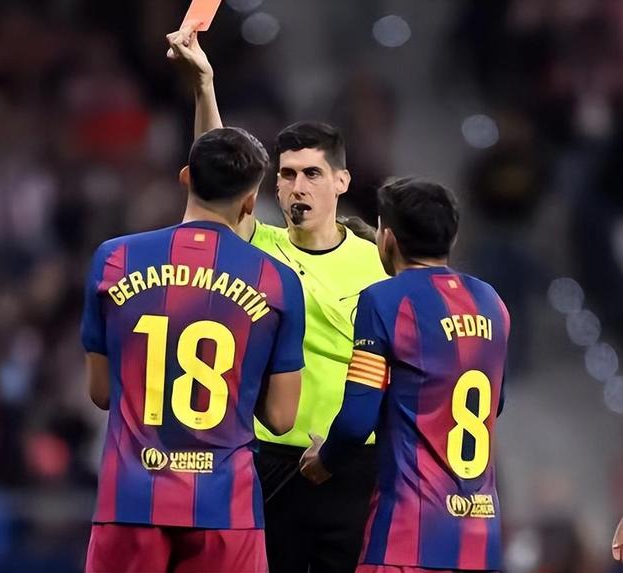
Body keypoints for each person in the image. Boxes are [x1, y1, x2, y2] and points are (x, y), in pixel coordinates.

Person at [166, 24, 388, 573]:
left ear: (341, 181)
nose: (298, 187)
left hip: (353, 462)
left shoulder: (379, 263)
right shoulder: (258, 247)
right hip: (269, 458)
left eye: (312, 174)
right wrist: (204, 87)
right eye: (287, 175)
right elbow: (216, 170)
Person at [81, 127, 305, 573]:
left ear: (185, 177)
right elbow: (281, 419)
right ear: (250, 201)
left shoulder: (114, 260)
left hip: (130, 501)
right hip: (225, 507)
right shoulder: (276, 280)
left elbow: (101, 393)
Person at [301, 177, 509, 573]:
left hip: (408, 534)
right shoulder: (491, 302)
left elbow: (356, 421)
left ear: (387, 239)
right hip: (480, 538)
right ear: (452, 235)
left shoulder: (384, 300)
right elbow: (495, 403)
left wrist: (325, 460)